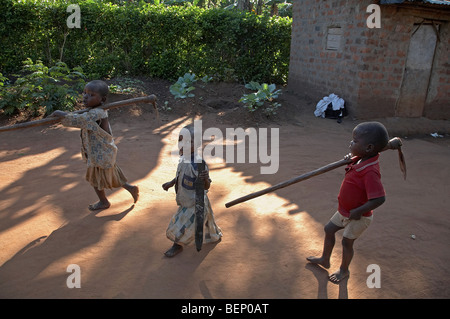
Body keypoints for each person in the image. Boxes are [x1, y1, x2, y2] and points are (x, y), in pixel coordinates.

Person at [307, 121, 399, 283]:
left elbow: (379, 198)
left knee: (346, 243)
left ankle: (344, 270)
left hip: (359, 216)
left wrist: (359, 211)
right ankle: (324, 259)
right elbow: (357, 159)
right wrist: (350, 159)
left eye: (355, 141)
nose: (351, 143)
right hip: (344, 210)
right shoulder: (360, 159)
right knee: (329, 229)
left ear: (369, 148)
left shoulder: (370, 171)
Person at [50, 80, 139, 210]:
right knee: (111, 174)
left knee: (95, 179)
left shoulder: (97, 113)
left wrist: (61, 114)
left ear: (102, 100)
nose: (86, 96)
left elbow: (80, 120)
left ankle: (104, 202)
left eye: (91, 95)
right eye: (85, 93)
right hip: (103, 152)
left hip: (100, 154)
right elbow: (82, 116)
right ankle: (130, 188)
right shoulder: (93, 110)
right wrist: (66, 115)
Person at [162, 124, 222, 257]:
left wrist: (206, 179)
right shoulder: (184, 159)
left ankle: (177, 245)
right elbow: (181, 175)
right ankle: (214, 235)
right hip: (186, 199)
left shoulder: (199, 164)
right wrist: (171, 183)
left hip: (196, 204)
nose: (183, 145)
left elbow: (206, 187)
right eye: (180, 140)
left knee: (180, 226)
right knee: (206, 223)